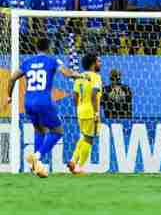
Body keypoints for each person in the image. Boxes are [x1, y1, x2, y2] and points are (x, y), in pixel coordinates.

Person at [6, 38, 84, 178]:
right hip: (44, 101)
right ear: (49, 47)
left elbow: (12, 78)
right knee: (57, 131)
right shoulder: (52, 60)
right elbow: (67, 73)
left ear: (36, 48)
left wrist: (9, 96)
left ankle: (36, 166)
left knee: (39, 129)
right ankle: (37, 156)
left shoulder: (27, 62)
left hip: (28, 102)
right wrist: (80, 76)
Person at [67, 53, 102, 174]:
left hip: (80, 110)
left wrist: (78, 107)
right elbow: (93, 94)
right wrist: (96, 112)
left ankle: (73, 160)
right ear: (93, 64)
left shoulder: (80, 77)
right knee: (89, 139)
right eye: (98, 61)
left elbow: (75, 95)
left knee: (83, 136)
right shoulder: (96, 77)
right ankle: (80, 167)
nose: (100, 64)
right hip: (91, 111)